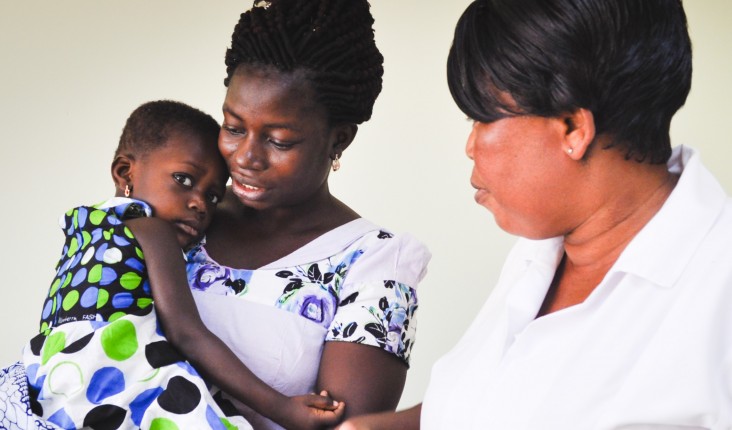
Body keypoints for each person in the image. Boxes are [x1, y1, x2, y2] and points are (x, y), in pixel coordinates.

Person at [338, 0, 732, 429]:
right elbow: (488, 408)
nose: (471, 146)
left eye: (480, 118)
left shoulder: (716, 289)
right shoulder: (546, 248)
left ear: (572, 129)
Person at [2, 100, 345, 430]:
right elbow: (187, 333)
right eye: (183, 179)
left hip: (56, 390)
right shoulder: (151, 230)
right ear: (125, 172)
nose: (199, 203)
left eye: (213, 196)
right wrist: (283, 408)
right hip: (121, 385)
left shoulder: (86, 227)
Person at [183, 0, 431, 428]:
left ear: (340, 139)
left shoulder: (372, 266)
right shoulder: (182, 218)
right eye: (234, 127)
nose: (246, 157)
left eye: (279, 141)